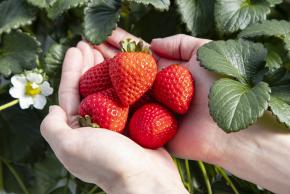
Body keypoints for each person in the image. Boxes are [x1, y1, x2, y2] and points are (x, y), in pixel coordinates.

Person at [40, 28, 290, 194]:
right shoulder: (133, 80)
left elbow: (128, 92)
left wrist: (132, 179)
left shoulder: (131, 79)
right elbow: (128, 93)